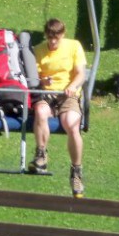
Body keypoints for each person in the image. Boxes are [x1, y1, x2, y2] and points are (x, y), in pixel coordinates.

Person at [29, 17, 87, 198]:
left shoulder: (74, 46)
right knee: (40, 111)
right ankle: (41, 154)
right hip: (47, 94)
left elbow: (81, 74)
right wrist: (42, 80)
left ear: (63, 35)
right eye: (50, 38)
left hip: (67, 95)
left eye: (57, 38)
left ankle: (76, 171)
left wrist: (72, 86)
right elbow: (33, 76)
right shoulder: (38, 50)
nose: (53, 42)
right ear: (46, 35)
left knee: (71, 124)